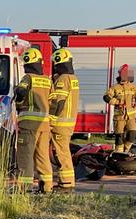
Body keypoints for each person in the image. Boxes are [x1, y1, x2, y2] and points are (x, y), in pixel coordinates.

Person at [14, 48, 54, 193]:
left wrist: (18, 99)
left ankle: (25, 187)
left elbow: (21, 92)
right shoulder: (48, 80)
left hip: (29, 124)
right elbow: (53, 101)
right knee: (43, 155)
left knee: (25, 155)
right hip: (44, 124)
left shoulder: (28, 78)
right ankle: (47, 186)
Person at [49, 48, 80, 192]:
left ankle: (66, 184)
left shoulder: (62, 79)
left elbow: (58, 102)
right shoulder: (73, 78)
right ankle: (67, 182)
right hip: (68, 122)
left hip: (60, 123)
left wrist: (51, 119)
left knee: (62, 153)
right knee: (64, 151)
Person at [103, 64, 136, 153]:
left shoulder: (134, 87)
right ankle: (119, 153)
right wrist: (117, 102)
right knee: (119, 136)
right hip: (119, 117)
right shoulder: (115, 88)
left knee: (132, 135)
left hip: (131, 117)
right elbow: (106, 97)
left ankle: (126, 149)